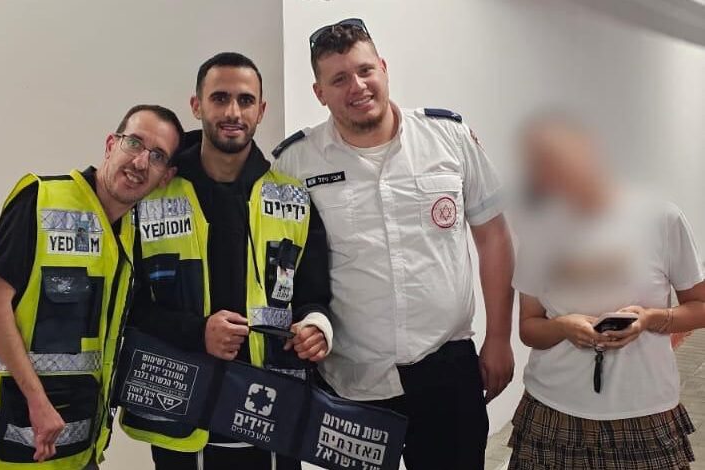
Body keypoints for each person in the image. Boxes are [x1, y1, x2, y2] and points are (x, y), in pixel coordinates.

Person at [272, 18, 515, 469]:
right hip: (351, 377)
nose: (357, 86)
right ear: (319, 92)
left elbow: (494, 236)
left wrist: (499, 337)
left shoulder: (448, 138)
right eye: (339, 79)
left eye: (365, 70)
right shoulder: (295, 163)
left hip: (446, 367)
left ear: (383, 68)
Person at [120, 52, 333, 470]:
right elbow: (127, 307)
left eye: (245, 100)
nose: (233, 112)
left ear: (261, 111)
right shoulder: (150, 197)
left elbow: (315, 297)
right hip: (180, 414)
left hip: (271, 414)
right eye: (219, 98)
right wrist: (198, 332)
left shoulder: (293, 198)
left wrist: (316, 327)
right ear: (196, 106)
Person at [0, 104, 184, 469]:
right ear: (110, 145)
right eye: (134, 143)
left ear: (164, 177)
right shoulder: (42, 199)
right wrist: (37, 401)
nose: (141, 161)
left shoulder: (129, 237)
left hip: (68, 445)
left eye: (157, 156)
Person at [508, 115, 705, 469]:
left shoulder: (661, 219)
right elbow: (529, 327)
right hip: (553, 412)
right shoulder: (538, 229)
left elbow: (700, 306)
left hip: (644, 412)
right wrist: (563, 327)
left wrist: (650, 319)